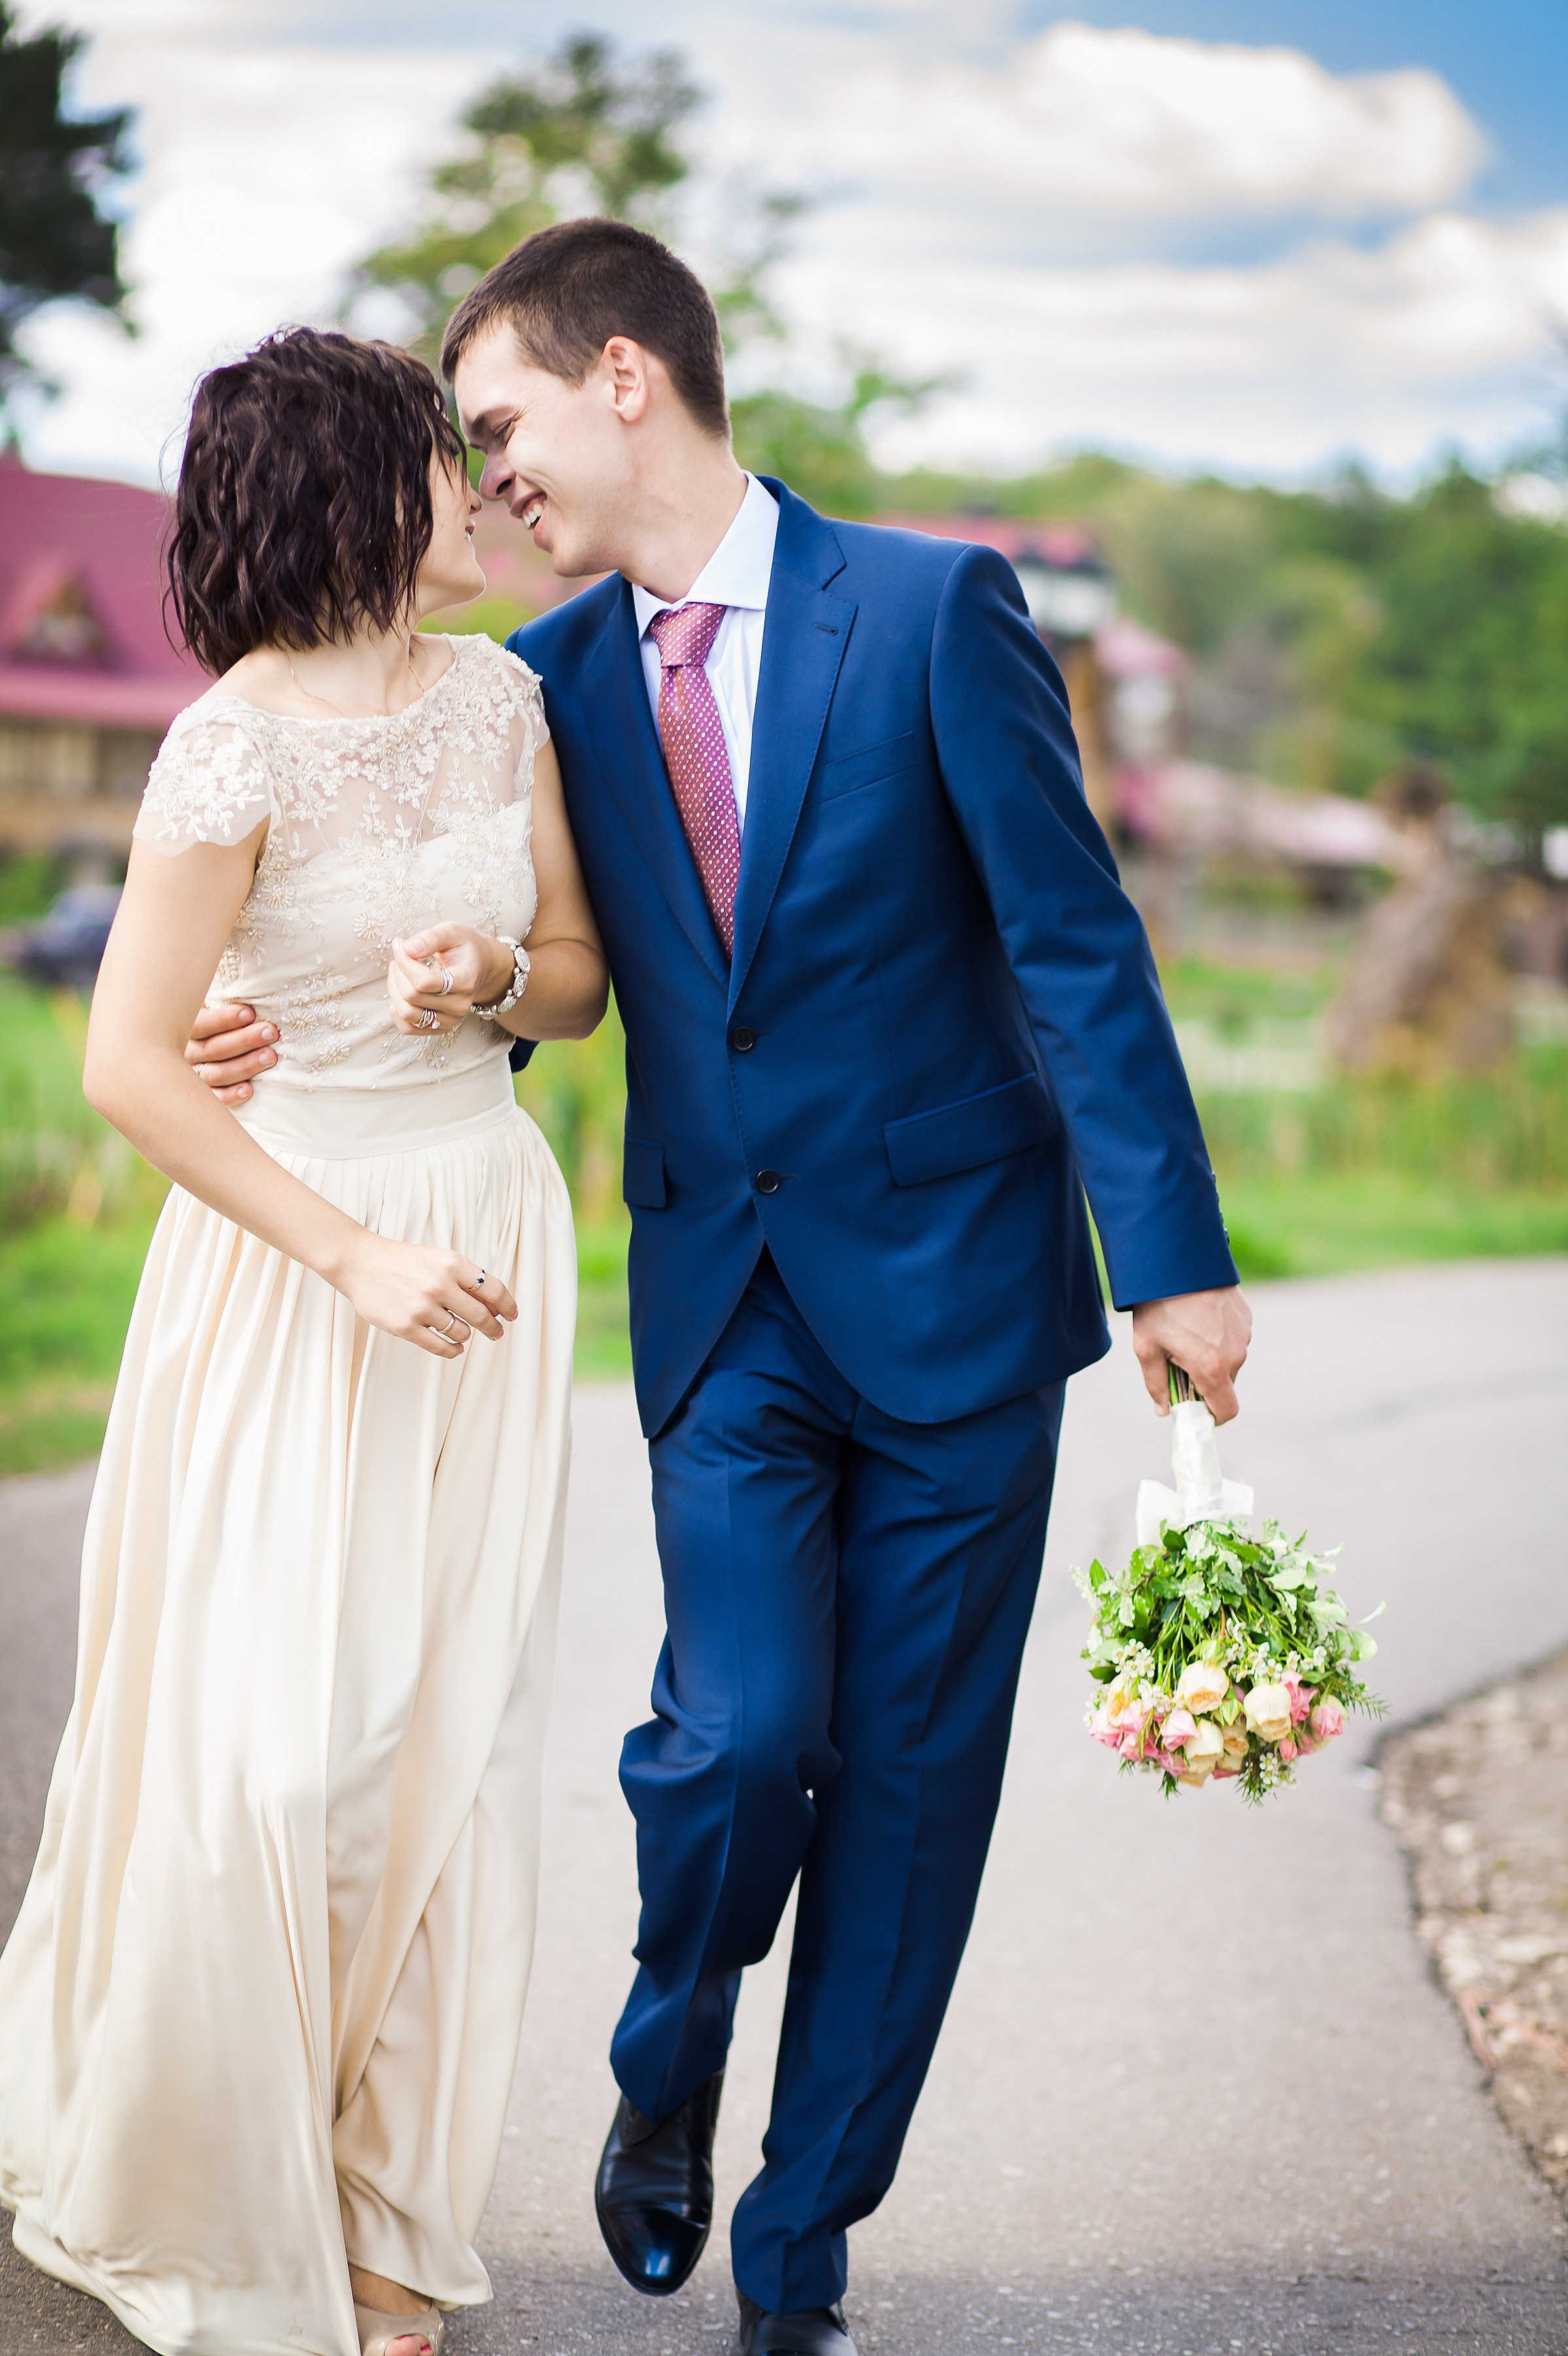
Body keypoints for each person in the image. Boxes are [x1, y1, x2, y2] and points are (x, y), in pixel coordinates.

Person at [192, 223, 1251, 2356]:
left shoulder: (936, 606)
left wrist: (1181, 1257)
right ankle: (671, 2045)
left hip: (962, 1298)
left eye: (496, 428)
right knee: (746, 1733)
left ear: (623, 381)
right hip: (731, 1299)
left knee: (915, 1798)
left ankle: (800, 2257)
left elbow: (1073, 942)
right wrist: (264, 1022)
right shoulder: (545, 687)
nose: (484, 482)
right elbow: (506, 957)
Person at [0, 328, 607, 2356]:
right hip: (291, 1263)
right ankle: (201, 2168)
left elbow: (586, 980)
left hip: (485, 1230)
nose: (480, 491)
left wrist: (499, 968)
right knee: (283, 1757)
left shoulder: (508, 697)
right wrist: (345, 1252)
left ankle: (388, 2221)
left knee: (444, 1748)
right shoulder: (227, 747)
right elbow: (130, 1065)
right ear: (360, 491)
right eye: (447, 458)